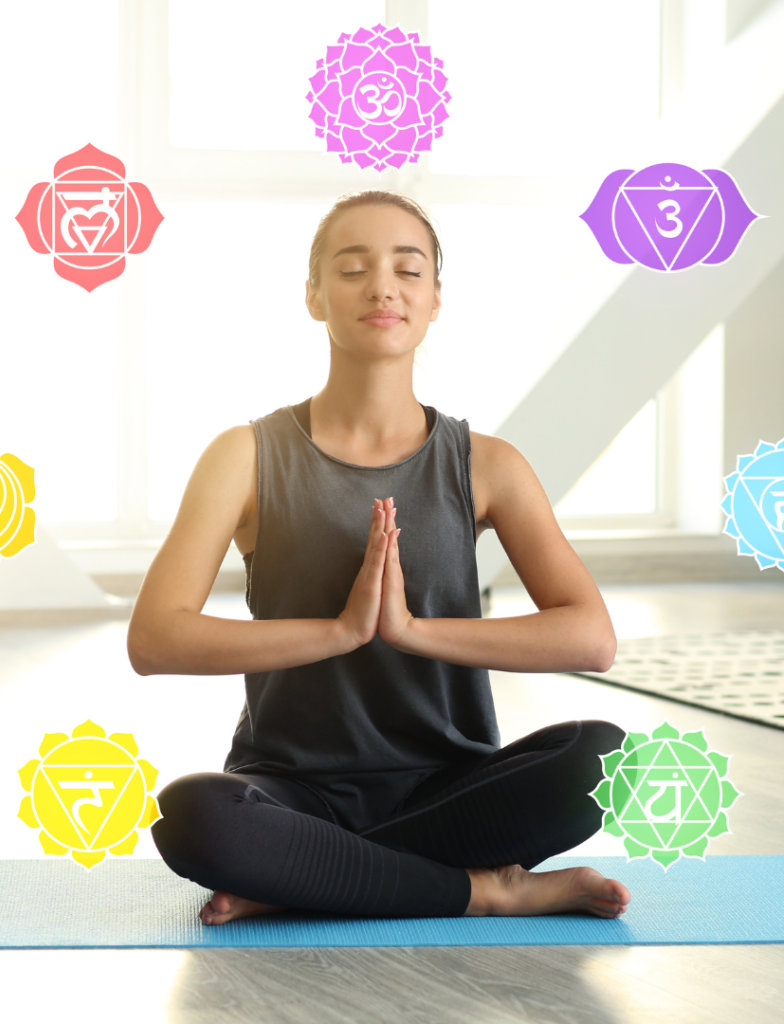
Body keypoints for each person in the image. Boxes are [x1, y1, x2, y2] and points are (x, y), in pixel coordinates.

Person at [127, 190, 631, 924]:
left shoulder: (488, 465)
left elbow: (591, 637)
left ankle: (316, 875)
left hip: (450, 788)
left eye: (408, 269)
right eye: (353, 267)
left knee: (602, 759)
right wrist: (339, 630)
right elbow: (155, 639)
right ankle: (480, 890)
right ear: (314, 296)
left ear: (433, 301)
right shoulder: (244, 458)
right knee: (192, 815)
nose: (383, 287)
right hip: (291, 790)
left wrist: (411, 630)